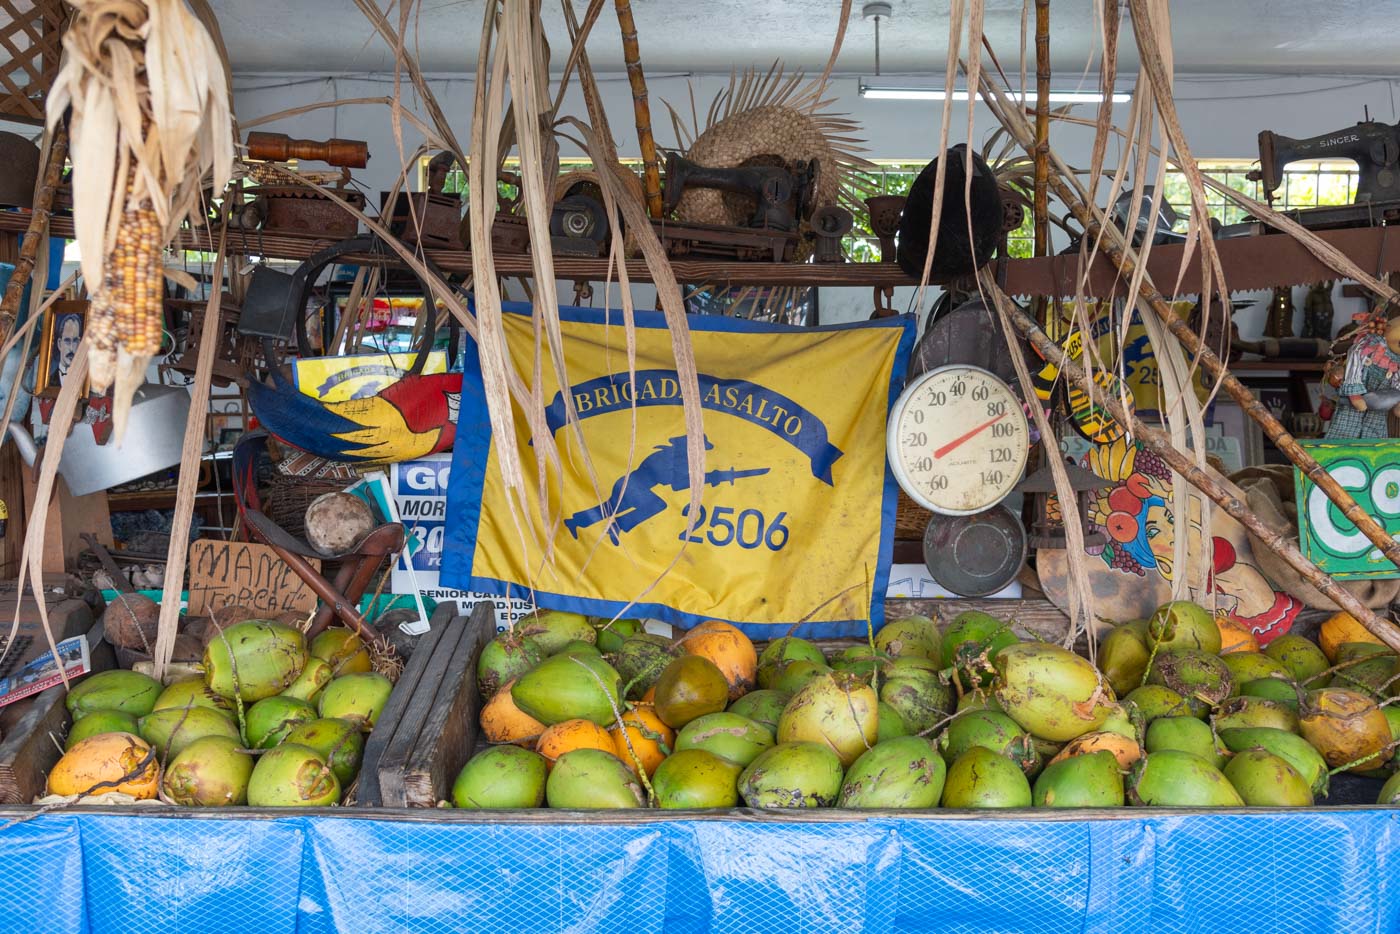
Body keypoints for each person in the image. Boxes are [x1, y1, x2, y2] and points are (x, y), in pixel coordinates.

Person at [52, 312, 81, 383]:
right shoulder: (50, 381)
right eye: (67, 341)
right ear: (59, 344)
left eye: (75, 341)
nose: (71, 348)